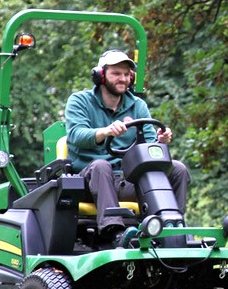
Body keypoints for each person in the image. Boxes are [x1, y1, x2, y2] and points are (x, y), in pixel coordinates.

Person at [64, 49, 190, 244]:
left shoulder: (138, 105)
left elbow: (148, 145)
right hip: (90, 182)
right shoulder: (80, 101)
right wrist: (106, 131)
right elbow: (75, 135)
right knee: (101, 165)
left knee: (178, 169)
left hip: (128, 179)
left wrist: (159, 141)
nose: (122, 78)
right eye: (116, 73)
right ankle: (114, 232)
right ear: (100, 75)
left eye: (126, 74)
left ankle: (173, 228)